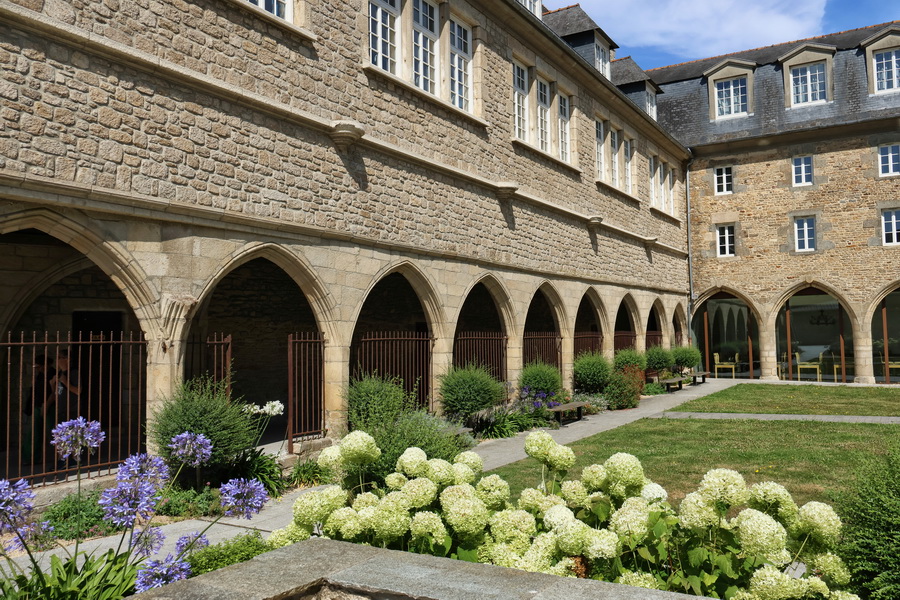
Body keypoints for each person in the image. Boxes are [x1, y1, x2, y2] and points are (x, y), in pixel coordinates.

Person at [22, 355, 54, 464]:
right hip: (38, 405)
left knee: (54, 431)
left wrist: (47, 405)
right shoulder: (40, 376)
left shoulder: (53, 374)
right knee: (34, 432)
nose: (38, 369)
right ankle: (31, 457)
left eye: (39, 367)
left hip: (50, 406)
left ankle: (60, 456)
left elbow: (54, 393)